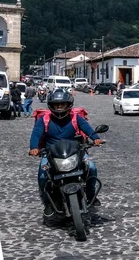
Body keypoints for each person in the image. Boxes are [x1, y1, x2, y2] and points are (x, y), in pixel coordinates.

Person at [28, 89, 103, 221]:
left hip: (75, 151)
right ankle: (48, 204)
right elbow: (36, 134)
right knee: (42, 175)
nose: (59, 108)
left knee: (92, 167)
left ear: (68, 104)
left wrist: (95, 138)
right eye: (56, 105)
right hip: (51, 154)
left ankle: (91, 195)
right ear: (51, 105)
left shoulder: (76, 118)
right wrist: (34, 148)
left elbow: (87, 128)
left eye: (62, 104)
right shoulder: (44, 120)